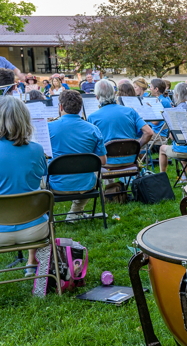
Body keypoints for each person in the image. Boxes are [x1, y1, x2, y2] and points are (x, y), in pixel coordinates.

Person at [0, 96, 48, 277]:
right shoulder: (36, 149)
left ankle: (31, 261)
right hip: (35, 231)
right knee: (34, 190)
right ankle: (31, 261)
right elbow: (42, 175)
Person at [48, 91, 107, 221]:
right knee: (95, 172)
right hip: (85, 185)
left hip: (56, 185)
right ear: (80, 108)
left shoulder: (48, 127)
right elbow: (102, 161)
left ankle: (40, 215)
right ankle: (75, 212)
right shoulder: (93, 129)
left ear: (61, 107)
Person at [87, 80, 153, 159]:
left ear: (97, 97)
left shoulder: (92, 117)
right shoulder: (130, 111)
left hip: (107, 163)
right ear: (115, 93)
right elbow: (149, 132)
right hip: (130, 161)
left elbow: (90, 144)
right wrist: (137, 147)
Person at [159, 83, 187, 181]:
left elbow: (173, 137)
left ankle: (163, 177)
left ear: (177, 95)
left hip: (185, 151)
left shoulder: (177, 110)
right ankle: (184, 176)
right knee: (185, 144)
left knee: (162, 149)